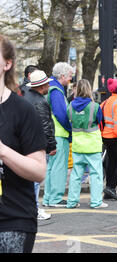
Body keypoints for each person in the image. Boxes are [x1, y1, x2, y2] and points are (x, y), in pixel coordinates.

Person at [0, 34, 47, 253]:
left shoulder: (22, 110)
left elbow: (38, 171)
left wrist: (2, 151)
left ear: (7, 64)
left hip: (12, 220)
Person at [66, 79, 107, 209]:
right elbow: (100, 120)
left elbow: (69, 120)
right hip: (92, 145)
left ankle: (72, 201)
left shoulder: (70, 106)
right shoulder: (95, 106)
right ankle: (96, 202)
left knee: (76, 175)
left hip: (78, 144)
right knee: (95, 174)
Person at [22, 70, 56, 221]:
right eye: (47, 83)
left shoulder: (25, 96)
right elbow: (45, 126)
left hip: (23, 143)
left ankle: (28, 207)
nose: (49, 85)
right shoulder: (40, 102)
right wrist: (51, 146)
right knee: (35, 180)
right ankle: (33, 209)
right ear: (42, 85)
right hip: (36, 145)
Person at [42, 62, 74, 208]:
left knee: (52, 167)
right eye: (69, 76)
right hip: (59, 134)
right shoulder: (57, 90)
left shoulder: (52, 87)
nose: (70, 80)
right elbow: (61, 114)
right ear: (62, 76)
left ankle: (49, 197)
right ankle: (55, 198)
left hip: (53, 134)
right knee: (59, 167)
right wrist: (70, 129)